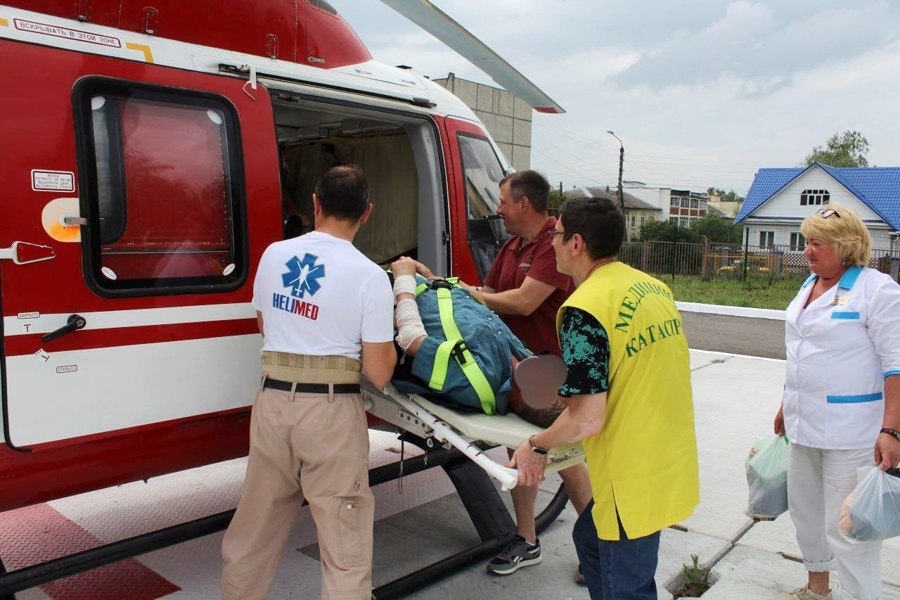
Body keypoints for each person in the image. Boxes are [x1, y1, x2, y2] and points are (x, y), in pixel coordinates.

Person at [221, 165, 396, 600]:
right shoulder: (370, 276)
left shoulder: (274, 255)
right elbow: (379, 371)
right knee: (344, 541)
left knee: (254, 529)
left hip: (273, 402)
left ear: (315, 204)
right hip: (331, 411)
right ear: (367, 213)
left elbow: (266, 324)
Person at [511, 197, 700, 599]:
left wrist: (536, 445)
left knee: (627, 587)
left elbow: (587, 420)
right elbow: (635, 366)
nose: (552, 244)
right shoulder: (652, 287)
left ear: (576, 244)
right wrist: (576, 389)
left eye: (557, 235)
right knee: (591, 543)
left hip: (628, 475)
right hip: (667, 457)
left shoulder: (584, 307)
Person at [461, 170, 592, 578]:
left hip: (553, 373)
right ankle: (526, 539)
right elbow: (488, 294)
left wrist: (474, 296)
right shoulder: (512, 245)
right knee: (521, 451)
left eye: (501, 201)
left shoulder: (556, 242)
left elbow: (521, 302)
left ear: (523, 203)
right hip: (518, 371)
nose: (496, 209)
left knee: (565, 458)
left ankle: (599, 548)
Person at [773, 204, 900, 600]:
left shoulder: (877, 289)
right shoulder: (809, 285)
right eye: (805, 241)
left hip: (852, 432)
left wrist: (891, 429)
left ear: (845, 246)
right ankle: (817, 590)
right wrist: (785, 404)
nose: (807, 250)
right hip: (803, 425)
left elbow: (895, 365)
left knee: (848, 529)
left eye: (816, 243)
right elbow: (801, 352)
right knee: (807, 517)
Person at [390, 256, 564, 427]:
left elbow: (411, 339)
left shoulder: (477, 380)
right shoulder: (521, 358)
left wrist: (404, 280)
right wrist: (431, 278)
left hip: (394, 290)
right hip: (424, 282)